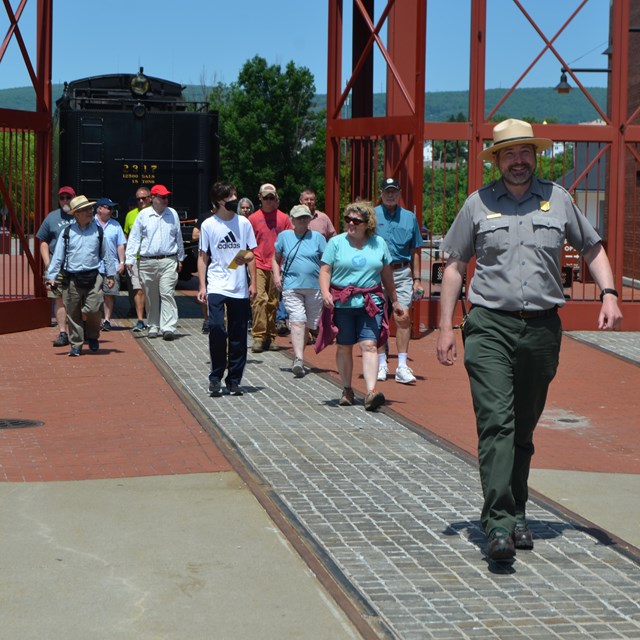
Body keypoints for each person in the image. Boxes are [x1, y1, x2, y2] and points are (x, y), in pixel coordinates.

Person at [436, 118, 623, 562]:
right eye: (509, 154)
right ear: (497, 160)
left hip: (541, 329)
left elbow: (593, 247)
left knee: (522, 426)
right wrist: (445, 327)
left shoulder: (558, 200)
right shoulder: (477, 204)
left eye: (525, 153)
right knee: (496, 423)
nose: (518, 161)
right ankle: (498, 524)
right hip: (489, 326)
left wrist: (610, 293)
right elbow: (454, 266)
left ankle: (518, 510)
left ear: (534, 157)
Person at [318, 201, 407, 411]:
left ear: (367, 223)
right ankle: (347, 389)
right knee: (344, 345)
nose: (351, 223)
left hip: (371, 302)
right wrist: (325, 293)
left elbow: (386, 274)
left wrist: (394, 300)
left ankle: (371, 392)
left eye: (356, 220)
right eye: (348, 219)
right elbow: (325, 270)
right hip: (342, 302)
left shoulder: (379, 243)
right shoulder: (336, 243)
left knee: (369, 344)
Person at [197, 181, 257, 396]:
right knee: (216, 327)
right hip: (216, 284)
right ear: (219, 201)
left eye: (235, 195)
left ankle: (234, 379)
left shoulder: (243, 223)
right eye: (230, 197)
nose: (234, 200)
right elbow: (203, 257)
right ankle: (215, 376)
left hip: (239, 286)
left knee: (238, 335)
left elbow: (250, 253)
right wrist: (202, 285)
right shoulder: (208, 225)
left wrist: (253, 283)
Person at [45, 195, 115, 356]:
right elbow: (58, 256)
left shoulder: (98, 231)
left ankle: (92, 336)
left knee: (93, 309)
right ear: (76, 214)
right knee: (73, 312)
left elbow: (107, 255)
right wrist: (51, 276)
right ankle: (76, 344)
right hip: (72, 278)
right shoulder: (67, 232)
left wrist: (110, 275)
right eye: (84, 210)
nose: (89, 212)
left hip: (93, 277)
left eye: (90, 209)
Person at [374, 178, 424, 384]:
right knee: (376, 318)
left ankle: (402, 366)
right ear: (381, 192)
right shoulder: (372, 216)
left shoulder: (409, 218)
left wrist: (417, 280)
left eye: (394, 191)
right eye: (387, 191)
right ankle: (381, 362)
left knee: (402, 317)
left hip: (402, 272)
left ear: (399, 193)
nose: (391, 195)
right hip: (377, 273)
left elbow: (416, 250)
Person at [124, 184, 185, 341]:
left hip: (168, 260)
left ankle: (168, 327)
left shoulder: (173, 214)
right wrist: (129, 259)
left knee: (167, 293)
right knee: (150, 296)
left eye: (166, 197)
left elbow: (178, 236)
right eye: (162, 197)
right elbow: (134, 238)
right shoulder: (143, 215)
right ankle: (153, 325)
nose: (165, 200)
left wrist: (180, 257)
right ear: (153, 198)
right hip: (147, 262)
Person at [272, 204, 327, 378]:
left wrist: (327, 286)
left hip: (314, 287)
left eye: (306, 217)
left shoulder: (318, 238)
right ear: (292, 220)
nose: (303, 220)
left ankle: (299, 356)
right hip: (291, 286)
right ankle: (299, 359)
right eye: (299, 218)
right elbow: (276, 259)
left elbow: (326, 263)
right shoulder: (284, 237)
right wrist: (276, 276)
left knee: (309, 324)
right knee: (298, 320)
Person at [249, 183, 293, 352]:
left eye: (271, 197)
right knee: (260, 299)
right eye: (265, 197)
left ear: (276, 199)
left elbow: (290, 241)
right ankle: (259, 336)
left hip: (277, 265)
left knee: (273, 302)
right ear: (260, 197)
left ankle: (270, 336)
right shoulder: (253, 218)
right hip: (258, 263)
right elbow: (246, 243)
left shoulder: (284, 219)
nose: (268, 200)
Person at [36, 186, 76, 347]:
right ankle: (62, 332)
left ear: (74, 198)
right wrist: (48, 264)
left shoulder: (81, 215)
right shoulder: (52, 218)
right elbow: (43, 241)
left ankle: (81, 330)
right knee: (59, 299)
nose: (65, 200)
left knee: (80, 299)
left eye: (68, 197)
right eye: (62, 198)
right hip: (58, 266)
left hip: (78, 265)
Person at [94, 197, 126, 331]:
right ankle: (94, 320)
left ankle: (106, 320)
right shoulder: (91, 223)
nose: (111, 210)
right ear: (100, 208)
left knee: (109, 293)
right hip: (94, 265)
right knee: (94, 294)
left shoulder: (115, 225)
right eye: (109, 207)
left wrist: (122, 262)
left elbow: (120, 245)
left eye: (112, 208)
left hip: (111, 264)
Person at [123, 186, 151, 331]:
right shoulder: (130, 215)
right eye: (138, 199)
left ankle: (152, 319)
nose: (141, 201)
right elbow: (126, 237)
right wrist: (128, 258)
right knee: (138, 290)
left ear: (150, 198)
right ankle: (140, 319)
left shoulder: (156, 213)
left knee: (151, 290)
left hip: (151, 259)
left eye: (144, 198)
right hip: (136, 259)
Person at [192, 203, 215, 334]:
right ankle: (207, 319)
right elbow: (194, 235)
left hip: (229, 265)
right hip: (209, 259)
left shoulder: (235, 219)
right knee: (206, 291)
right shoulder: (205, 218)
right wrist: (209, 234)